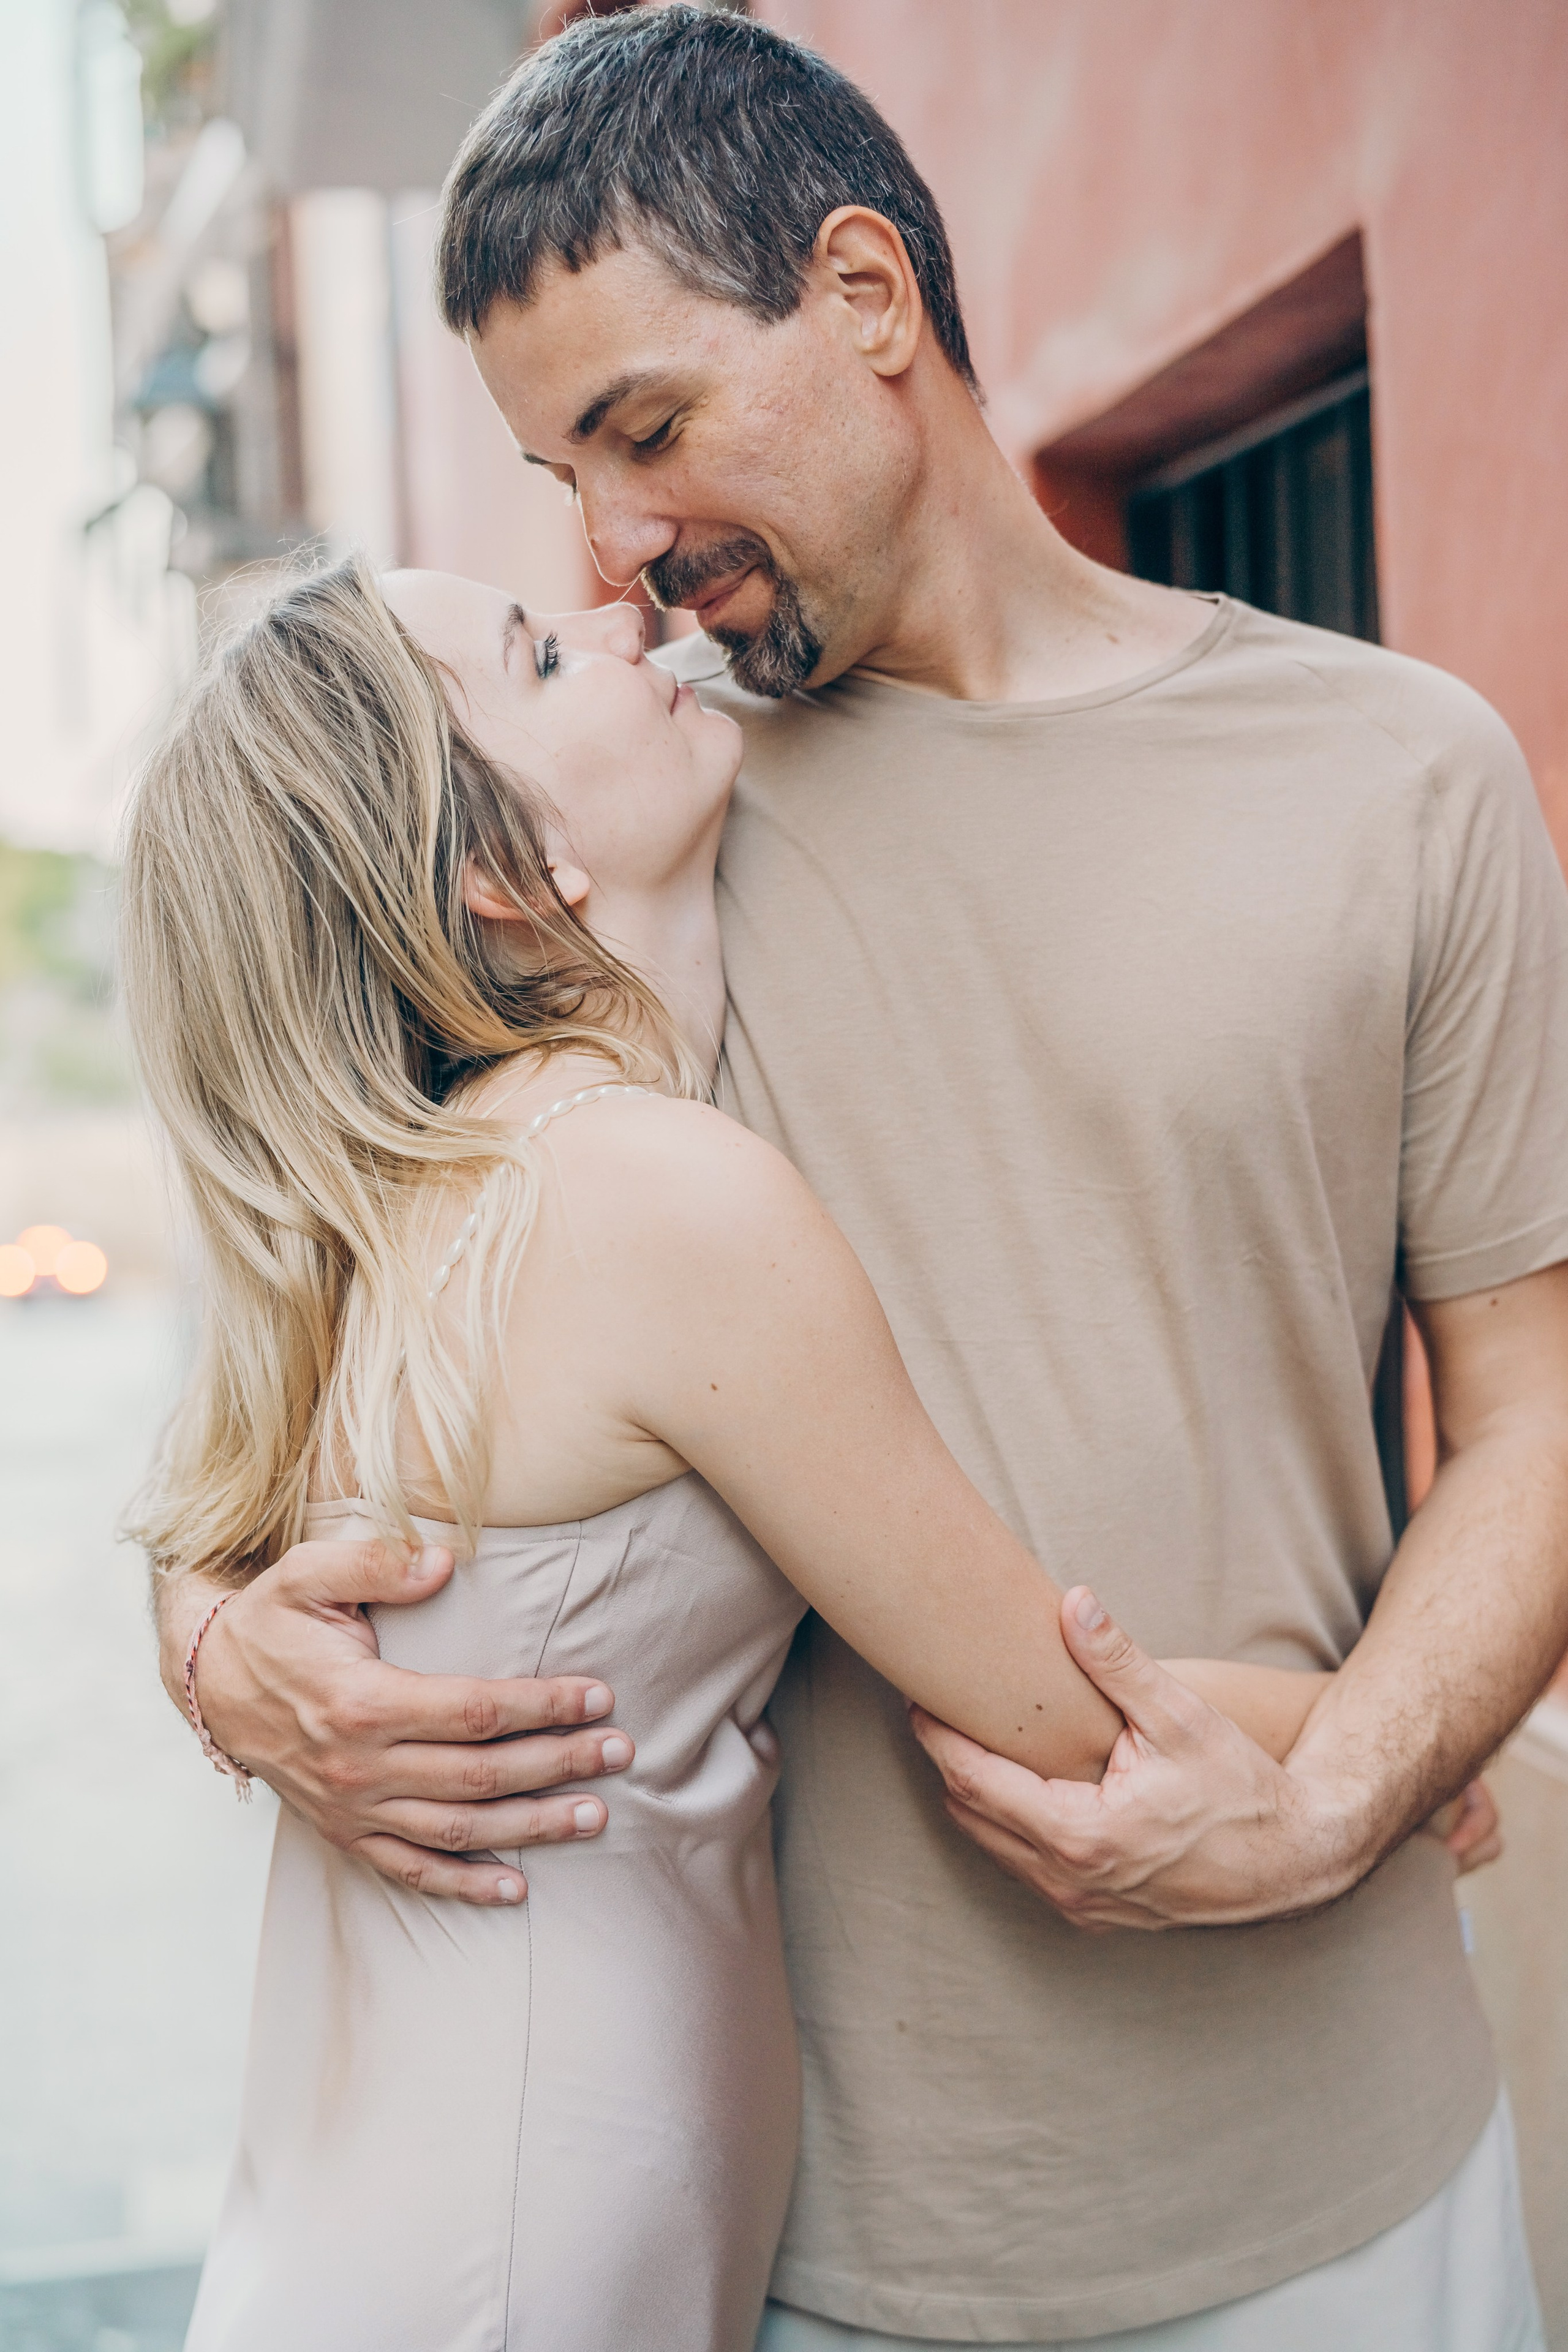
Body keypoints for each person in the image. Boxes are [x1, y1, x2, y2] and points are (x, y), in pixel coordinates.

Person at [151, 10, 1568, 2349]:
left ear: (869, 300)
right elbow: (303, 1371)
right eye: (557, 476)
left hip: (1352, 2168)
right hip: (818, 2247)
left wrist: (1363, 1774)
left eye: (647, 429)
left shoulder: (1398, 776)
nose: (609, 549)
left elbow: (1534, 1422)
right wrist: (218, 1655)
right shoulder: (600, 837)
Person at [125, 556, 1329, 2351]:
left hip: (402, 2213)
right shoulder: (644, 1194)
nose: (623, 615)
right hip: (517, 2250)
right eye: (542, 653)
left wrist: (204, 1639)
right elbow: (1068, 1721)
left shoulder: (408, 1205)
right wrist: (1408, 1730)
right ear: (503, 868)